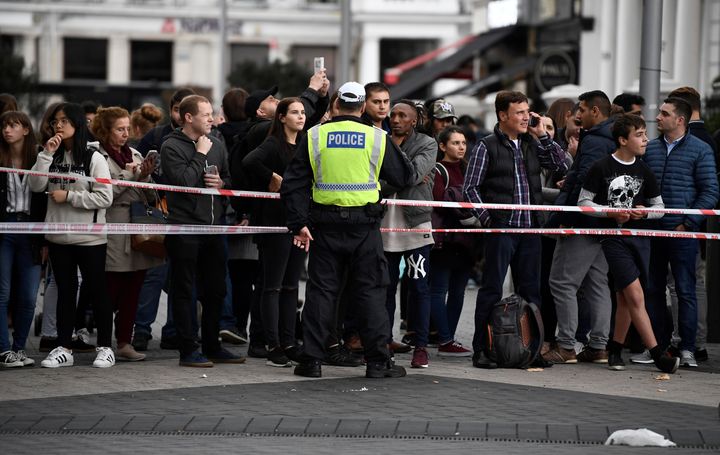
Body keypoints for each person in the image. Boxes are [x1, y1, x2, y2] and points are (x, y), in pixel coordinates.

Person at [281, 81, 413, 379]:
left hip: (324, 226)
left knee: (321, 292)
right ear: (363, 106)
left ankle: (311, 361)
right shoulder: (377, 137)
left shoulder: (314, 135)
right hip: (364, 227)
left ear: (336, 104)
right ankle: (378, 362)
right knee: (370, 292)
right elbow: (403, 176)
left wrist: (298, 224)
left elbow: (294, 184)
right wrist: (376, 187)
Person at [462, 90, 567, 369]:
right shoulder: (486, 146)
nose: (526, 117)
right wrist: (488, 219)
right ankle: (482, 350)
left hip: (530, 230)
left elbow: (561, 165)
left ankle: (530, 351)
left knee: (531, 292)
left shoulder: (532, 143)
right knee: (491, 290)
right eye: (519, 112)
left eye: (527, 111)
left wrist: (542, 135)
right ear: (503, 116)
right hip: (502, 230)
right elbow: (470, 188)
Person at [578, 114, 679, 373]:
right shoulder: (600, 167)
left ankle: (614, 348)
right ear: (622, 140)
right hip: (613, 238)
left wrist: (644, 212)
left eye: (645, 134)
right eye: (639, 135)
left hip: (640, 239)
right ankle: (659, 355)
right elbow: (583, 204)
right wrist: (609, 212)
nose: (646, 139)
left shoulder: (644, 170)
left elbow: (660, 208)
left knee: (624, 297)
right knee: (635, 295)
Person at [160, 94, 245, 367]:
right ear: (188, 117)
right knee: (185, 290)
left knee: (216, 289)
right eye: (206, 114)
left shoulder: (217, 144)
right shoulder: (171, 146)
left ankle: (212, 345)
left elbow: (229, 180)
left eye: (212, 113)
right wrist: (199, 153)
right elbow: (183, 181)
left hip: (214, 227)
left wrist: (221, 183)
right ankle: (188, 350)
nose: (212, 119)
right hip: (184, 227)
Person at [29, 102, 115, 368]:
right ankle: (63, 347)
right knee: (66, 292)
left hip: (89, 238)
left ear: (77, 124)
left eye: (64, 121)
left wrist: (70, 196)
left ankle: (105, 347)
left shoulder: (94, 158)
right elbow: (35, 184)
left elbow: (105, 197)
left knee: (98, 291)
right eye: (55, 121)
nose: (58, 125)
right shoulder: (50, 155)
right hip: (58, 238)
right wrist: (45, 154)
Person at [642, 97, 719, 368]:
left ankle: (687, 348)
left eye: (664, 113)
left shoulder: (700, 150)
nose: (658, 117)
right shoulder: (650, 149)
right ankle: (658, 349)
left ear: (680, 120)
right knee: (652, 289)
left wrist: (687, 223)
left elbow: (710, 191)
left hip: (682, 232)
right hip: (653, 231)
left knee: (685, 290)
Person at [545, 90, 615, 365]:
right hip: (602, 223)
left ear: (595, 112)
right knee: (597, 283)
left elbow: (581, 179)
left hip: (583, 221)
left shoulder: (596, 140)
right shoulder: (608, 137)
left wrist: (565, 216)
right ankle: (599, 346)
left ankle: (565, 346)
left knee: (562, 282)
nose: (577, 115)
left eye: (582, 110)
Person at [93, 106, 163, 362]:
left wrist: (144, 176)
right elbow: (106, 195)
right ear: (106, 131)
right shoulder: (97, 155)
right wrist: (129, 175)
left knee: (134, 287)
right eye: (119, 129)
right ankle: (103, 342)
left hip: (137, 226)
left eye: (127, 129)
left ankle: (125, 341)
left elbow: (150, 194)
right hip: (113, 225)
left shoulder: (133, 152)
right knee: (111, 288)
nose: (126, 134)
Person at [242, 97, 307, 367]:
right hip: (275, 221)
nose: (301, 117)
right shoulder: (273, 143)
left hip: (298, 221)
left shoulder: (304, 144)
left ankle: (289, 342)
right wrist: (272, 177)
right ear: (281, 117)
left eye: (303, 112)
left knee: (292, 286)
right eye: (294, 112)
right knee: (273, 286)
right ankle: (273, 345)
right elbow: (249, 162)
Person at [382, 100, 438, 368]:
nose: (395, 119)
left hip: (416, 225)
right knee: (386, 288)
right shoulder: (379, 139)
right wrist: (405, 175)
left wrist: (394, 170)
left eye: (402, 115)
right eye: (393, 114)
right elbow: (372, 179)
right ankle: (384, 342)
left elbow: (414, 175)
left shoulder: (427, 143)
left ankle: (421, 346)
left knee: (419, 286)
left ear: (414, 120)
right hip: (384, 226)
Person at [0, 111, 46, 368]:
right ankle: (4, 349)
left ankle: (19, 348)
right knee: (2, 292)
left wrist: (46, 241)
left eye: (13, 125)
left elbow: (45, 198)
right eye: (4, 126)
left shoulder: (39, 157)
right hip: (4, 229)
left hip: (31, 231)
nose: (7, 130)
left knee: (28, 295)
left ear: (26, 129)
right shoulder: (1, 156)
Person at [429, 125, 477, 356]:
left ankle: (449, 338)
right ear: (442, 146)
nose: (460, 147)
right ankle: (445, 339)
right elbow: (439, 200)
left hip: (466, 242)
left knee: (458, 292)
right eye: (455, 143)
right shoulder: (438, 170)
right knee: (438, 290)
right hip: (445, 241)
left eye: (463, 143)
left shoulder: (469, 170)